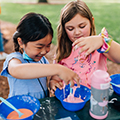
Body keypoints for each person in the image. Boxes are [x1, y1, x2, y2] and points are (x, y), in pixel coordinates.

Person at [0, 12, 80, 99]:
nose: (44, 51)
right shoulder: (14, 59)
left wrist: (52, 82)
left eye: (48, 45)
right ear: (21, 42)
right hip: (21, 110)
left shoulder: (42, 60)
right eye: (39, 47)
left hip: (40, 108)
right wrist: (58, 69)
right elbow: (16, 70)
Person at [49, 0, 120, 93]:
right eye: (70, 29)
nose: (77, 32)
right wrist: (53, 82)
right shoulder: (64, 51)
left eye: (82, 26)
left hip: (98, 99)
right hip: (74, 100)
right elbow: (56, 78)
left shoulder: (98, 44)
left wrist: (102, 41)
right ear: (64, 29)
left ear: (91, 22)